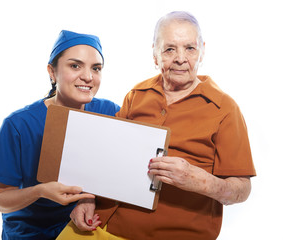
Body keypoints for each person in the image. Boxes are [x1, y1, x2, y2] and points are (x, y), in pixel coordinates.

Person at [60, 11, 256, 240]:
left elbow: (242, 190)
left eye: (190, 48)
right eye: (170, 49)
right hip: (102, 225)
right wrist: (87, 199)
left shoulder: (225, 109)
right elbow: (108, 159)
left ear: (202, 50)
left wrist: (198, 180)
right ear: (155, 54)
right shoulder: (136, 95)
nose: (181, 58)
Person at [0, 30, 120, 240]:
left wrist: (88, 199)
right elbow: (0, 200)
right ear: (52, 72)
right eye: (75, 65)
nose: (88, 77)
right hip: (32, 232)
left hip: (87, 225)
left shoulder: (110, 113)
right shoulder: (20, 124)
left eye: (96, 68)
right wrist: (41, 191)